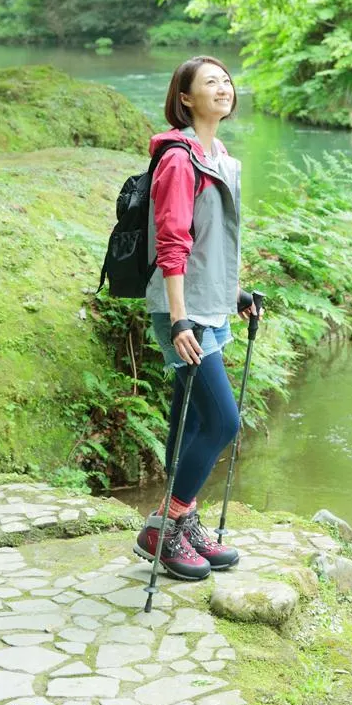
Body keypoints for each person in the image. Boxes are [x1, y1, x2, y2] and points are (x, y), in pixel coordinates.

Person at [133, 54, 259, 581]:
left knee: (189, 421)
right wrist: (181, 320)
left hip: (211, 306)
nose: (223, 88)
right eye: (210, 82)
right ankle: (165, 526)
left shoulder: (218, 153)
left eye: (226, 80)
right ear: (185, 98)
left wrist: (235, 293)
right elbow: (173, 243)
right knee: (223, 421)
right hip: (184, 312)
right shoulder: (180, 160)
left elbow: (216, 241)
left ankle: (182, 525)